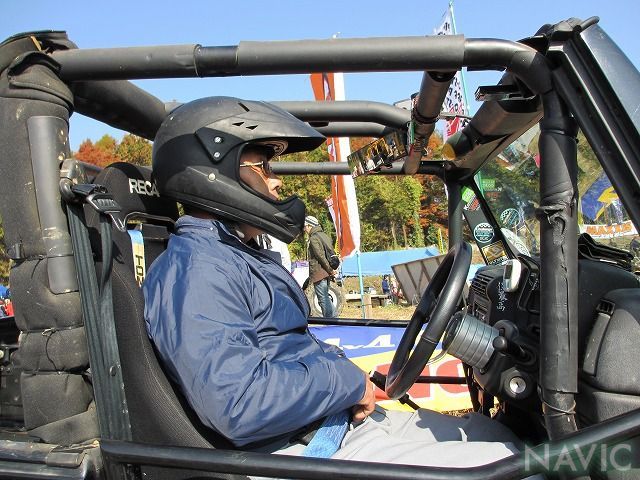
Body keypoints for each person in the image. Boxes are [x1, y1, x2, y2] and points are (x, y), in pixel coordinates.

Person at [144, 96, 525, 467]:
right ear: (216, 170)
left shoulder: (231, 254)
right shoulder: (198, 269)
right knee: (523, 467)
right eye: (264, 167)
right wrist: (345, 381)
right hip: (305, 450)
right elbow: (238, 402)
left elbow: (281, 350)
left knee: (501, 438)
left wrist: (345, 378)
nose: (276, 183)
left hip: (329, 425)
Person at [303, 215, 337, 318]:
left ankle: (329, 321)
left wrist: (329, 270)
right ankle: (334, 319)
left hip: (319, 272)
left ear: (310, 226)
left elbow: (320, 256)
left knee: (323, 299)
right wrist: (330, 270)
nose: (304, 230)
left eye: (305, 227)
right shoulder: (324, 235)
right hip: (326, 272)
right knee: (325, 297)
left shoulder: (314, 238)